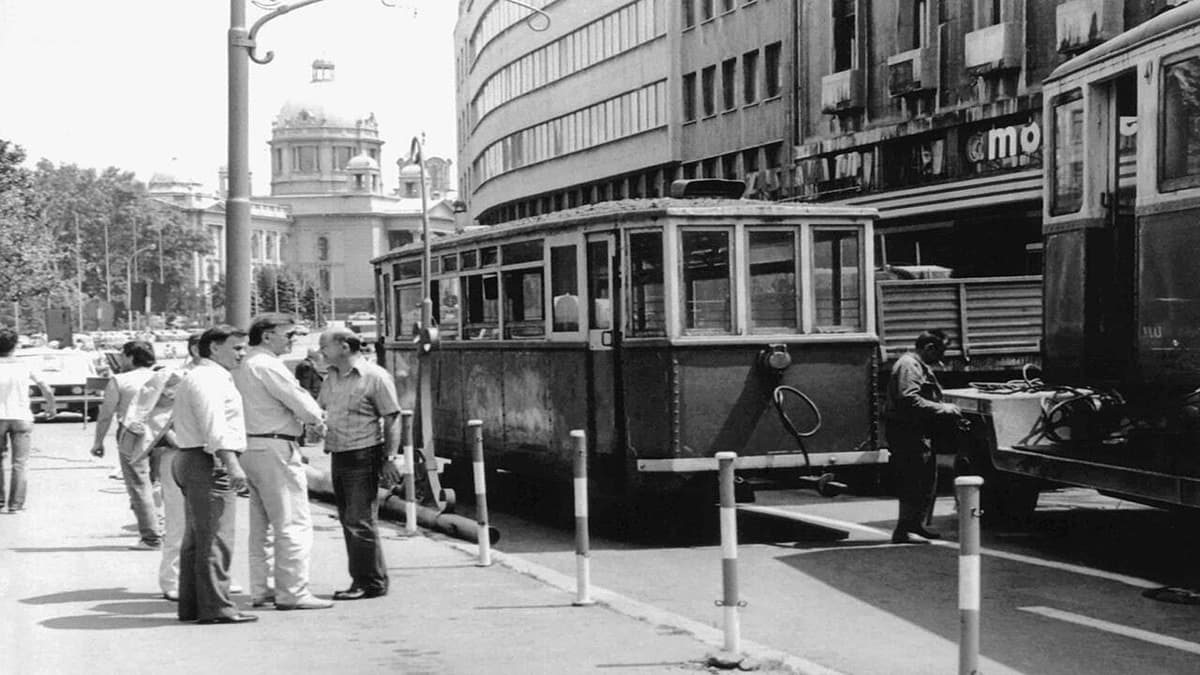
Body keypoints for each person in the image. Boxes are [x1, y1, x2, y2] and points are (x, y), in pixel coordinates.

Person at [232, 314, 332, 611]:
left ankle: (261, 589)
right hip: (275, 445)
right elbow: (300, 401)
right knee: (292, 521)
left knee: (261, 524)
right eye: (288, 335)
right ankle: (293, 591)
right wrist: (318, 419)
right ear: (267, 336)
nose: (293, 340)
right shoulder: (267, 365)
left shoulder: (244, 364)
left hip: (251, 445)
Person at [172, 325, 257, 624]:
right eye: (236, 348)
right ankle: (217, 607)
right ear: (214, 348)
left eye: (244, 348)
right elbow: (215, 427)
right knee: (216, 538)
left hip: (193, 457)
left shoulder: (201, 376)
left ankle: (193, 605)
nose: (242, 354)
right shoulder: (209, 379)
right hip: (209, 461)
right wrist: (232, 465)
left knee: (197, 538)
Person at [318, 327, 403, 600]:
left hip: (363, 454)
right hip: (338, 453)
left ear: (344, 346)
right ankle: (367, 579)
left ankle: (370, 583)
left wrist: (390, 458)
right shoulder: (331, 377)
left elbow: (392, 417)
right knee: (349, 520)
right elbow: (322, 409)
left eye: (325, 346)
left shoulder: (375, 377)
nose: (321, 351)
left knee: (359, 520)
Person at [124, 332, 203, 601]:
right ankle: (173, 579)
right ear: (197, 349)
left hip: (213, 456)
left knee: (214, 522)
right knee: (178, 520)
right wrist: (175, 440)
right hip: (180, 455)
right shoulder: (174, 377)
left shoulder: (225, 377)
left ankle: (212, 575)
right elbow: (149, 416)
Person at [884, 329, 963, 544]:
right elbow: (908, 399)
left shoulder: (915, 365)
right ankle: (905, 530)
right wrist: (943, 408)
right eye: (941, 351)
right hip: (907, 431)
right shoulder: (909, 365)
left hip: (915, 430)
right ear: (929, 348)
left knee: (924, 479)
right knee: (914, 479)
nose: (942, 357)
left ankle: (914, 526)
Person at [90, 340, 163, 550]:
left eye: (122, 355)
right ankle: (164, 526)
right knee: (160, 482)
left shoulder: (120, 380)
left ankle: (150, 537)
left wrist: (98, 442)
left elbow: (106, 414)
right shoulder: (162, 377)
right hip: (162, 432)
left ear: (131, 357)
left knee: (139, 485)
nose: (120, 359)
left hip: (132, 433)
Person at [0, 328, 56, 513]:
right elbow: (45, 387)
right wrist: (51, 406)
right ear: (15, 345)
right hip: (21, 416)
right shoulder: (25, 365)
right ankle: (16, 504)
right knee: (20, 463)